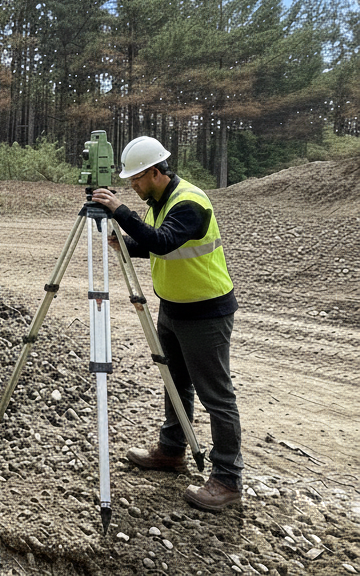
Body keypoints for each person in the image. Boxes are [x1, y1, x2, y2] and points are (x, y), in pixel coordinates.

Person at [90, 136, 243, 512]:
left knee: (216, 396)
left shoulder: (190, 202)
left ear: (155, 173)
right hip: (173, 308)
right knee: (175, 383)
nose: (133, 187)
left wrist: (121, 211)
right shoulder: (159, 201)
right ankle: (172, 450)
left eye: (137, 180)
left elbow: (164, 242)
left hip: (206, 311)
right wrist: (121, 241)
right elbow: (156, 245)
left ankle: (227, 479)